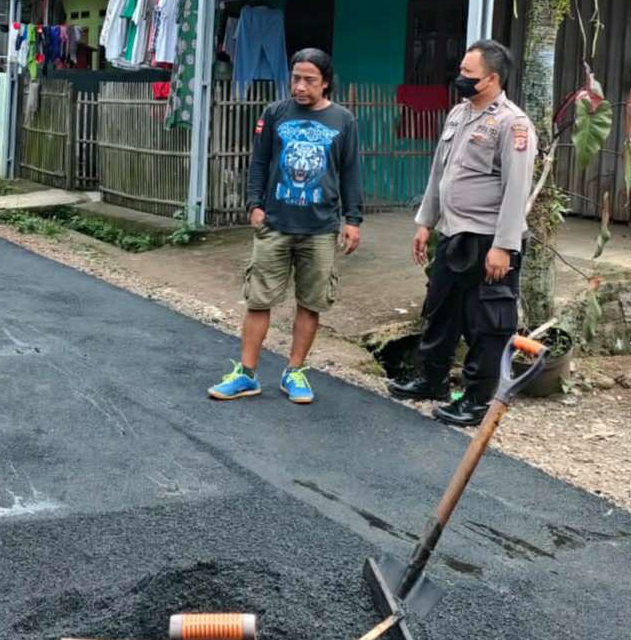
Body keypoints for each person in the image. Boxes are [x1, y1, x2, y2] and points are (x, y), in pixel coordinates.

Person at [389, 40, 537, 427]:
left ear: (491, 78)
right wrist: (426, 222)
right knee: (440, 310)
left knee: (486, 322)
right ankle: (431, 378)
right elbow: (441, 173)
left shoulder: (512, 123)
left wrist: (504, 246)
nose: (461, 78)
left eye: (468, 74)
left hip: (488, 239)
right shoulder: (458, 114)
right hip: (453, 233)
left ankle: (475, 399)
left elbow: (516, 188)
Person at [208, 48, 363, 406]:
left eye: (309, 79)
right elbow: (259, 161)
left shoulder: (343, 121)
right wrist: (255, 206)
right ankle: (246, 374)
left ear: (325, 82)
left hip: (321, 227)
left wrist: (353, 220)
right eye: (296, 78)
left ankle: (294, 371)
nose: (300, 86)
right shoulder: (274, 113)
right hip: (275, 224)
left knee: (311, 303)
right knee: (258, 299)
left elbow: (351, 171)